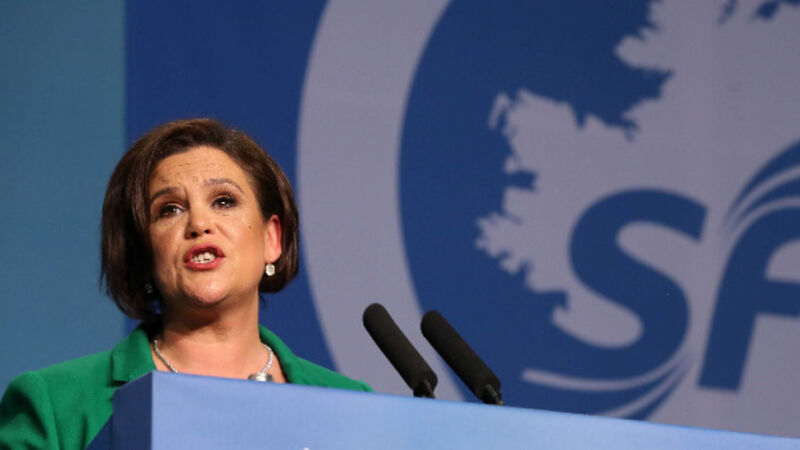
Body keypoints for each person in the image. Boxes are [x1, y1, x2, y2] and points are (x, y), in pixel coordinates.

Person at [0, 118, 371, 449]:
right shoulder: (57, 405)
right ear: (143, 253)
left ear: (271, 239)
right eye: (170, 210)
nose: (199, 224)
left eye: (224, 201)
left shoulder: (353, 407)